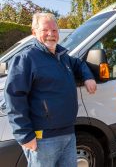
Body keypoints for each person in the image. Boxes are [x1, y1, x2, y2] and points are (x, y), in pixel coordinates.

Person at [4, 12, 97, 167]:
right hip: (43, 138)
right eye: (45, 30)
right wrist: (24, 135)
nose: (51, 34)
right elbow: (14, 97)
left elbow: (79, 64)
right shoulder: (26, 58)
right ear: (34, 33)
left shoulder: (63, 56)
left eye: (54, 31)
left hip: (68, 133)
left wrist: (88, 77)